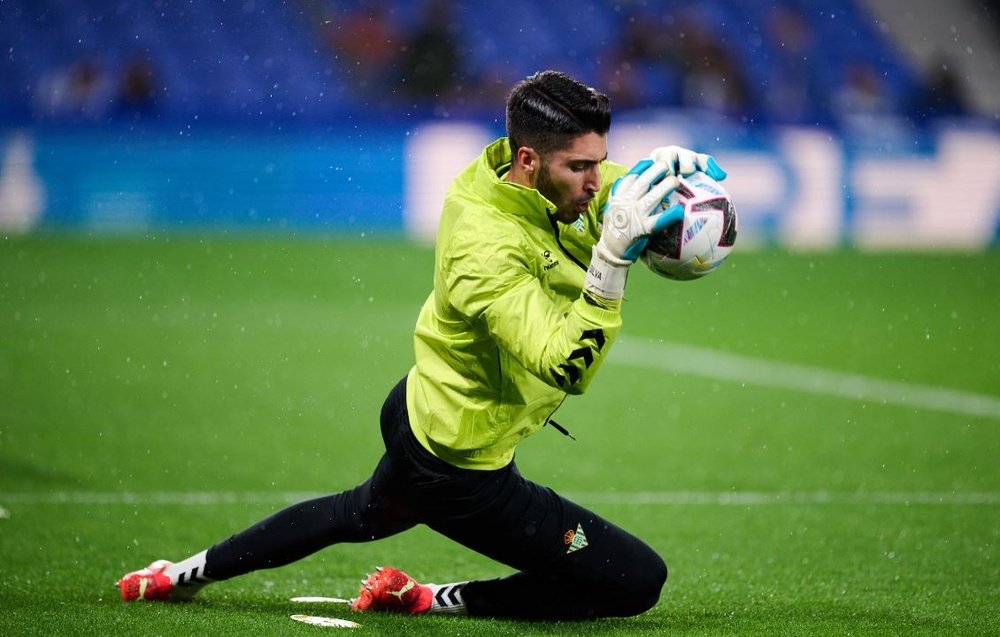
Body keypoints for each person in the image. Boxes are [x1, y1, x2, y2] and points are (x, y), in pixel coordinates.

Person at [117, 70, 725, 620]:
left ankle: (181, 574)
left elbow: (602, 195)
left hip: (421, 412)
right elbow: (564, 363)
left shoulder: (517, 176)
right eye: (581, 168)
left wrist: (649, 179)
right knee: (634, 580)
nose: (597, 183)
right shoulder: (482, 248)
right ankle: (440, 600)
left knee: (353, 514)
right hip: (461, 468)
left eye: (604, 162)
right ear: (531, 160)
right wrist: (610, 267)